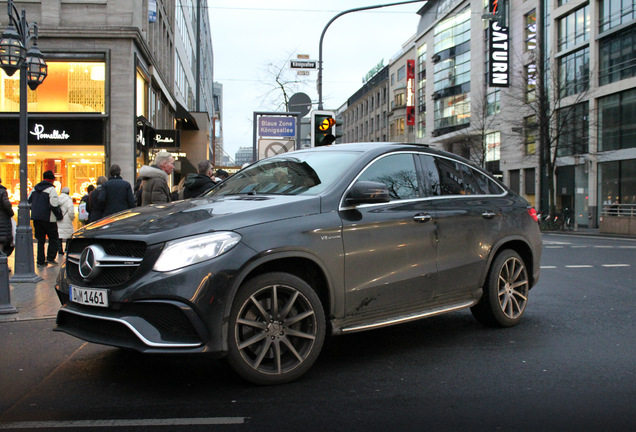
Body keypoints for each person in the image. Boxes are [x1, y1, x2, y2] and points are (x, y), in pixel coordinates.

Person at [27, 170, 62, 266]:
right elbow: (54, 204)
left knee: (40, 240)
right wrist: (59, 215)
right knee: (53, 238)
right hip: (49, 218)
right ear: (52, 180)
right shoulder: (51, 189)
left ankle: (40, 260)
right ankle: (50, 257)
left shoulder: (34, 188)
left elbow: (28, 202)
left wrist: (35, 210)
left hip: (36, 218)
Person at [56, 186, 75, 255]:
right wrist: (72, 218)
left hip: (59, 219)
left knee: (59, 235)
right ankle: (67, 248)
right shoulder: (69, 200)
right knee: (69, 235)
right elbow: (71, 212)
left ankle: (59, 249)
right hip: (67, 219)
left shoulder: (57, 199)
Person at [0, 177, 15, 257]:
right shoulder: (2, 191)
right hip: (2, 220)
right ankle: (2, 264)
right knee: (2, 243)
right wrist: (11, 214)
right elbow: (6, 205)